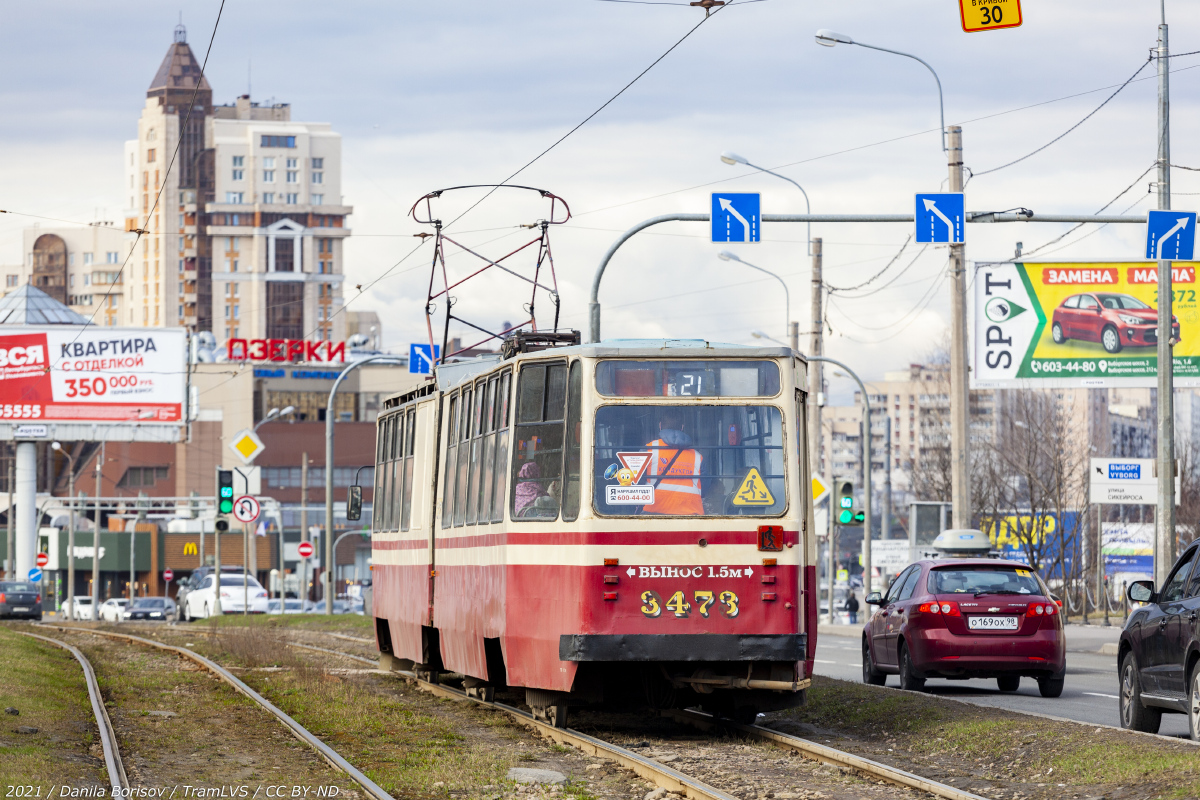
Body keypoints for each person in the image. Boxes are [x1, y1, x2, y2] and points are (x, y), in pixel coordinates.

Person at [642, 411, 703, 516]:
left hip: (653, 511)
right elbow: (705, 487)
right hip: (690, 513)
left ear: (660, 426)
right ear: (682, 427)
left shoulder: (649, 449)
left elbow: (634, 479)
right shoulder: (698, 456)